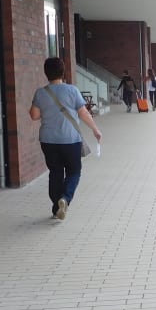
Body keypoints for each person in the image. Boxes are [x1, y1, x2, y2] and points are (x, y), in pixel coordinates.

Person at [30, 57, 102, 220]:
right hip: (70, 140)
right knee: (74, 171)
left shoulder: (40, 92)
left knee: (55, 172)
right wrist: (95, 129)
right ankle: (65, 198)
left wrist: (47, 110)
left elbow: (34, 115)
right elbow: (83, 113)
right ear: (63, 72)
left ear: (46, 73)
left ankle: (56, 207)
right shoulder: (72, 90)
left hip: (48, 140)